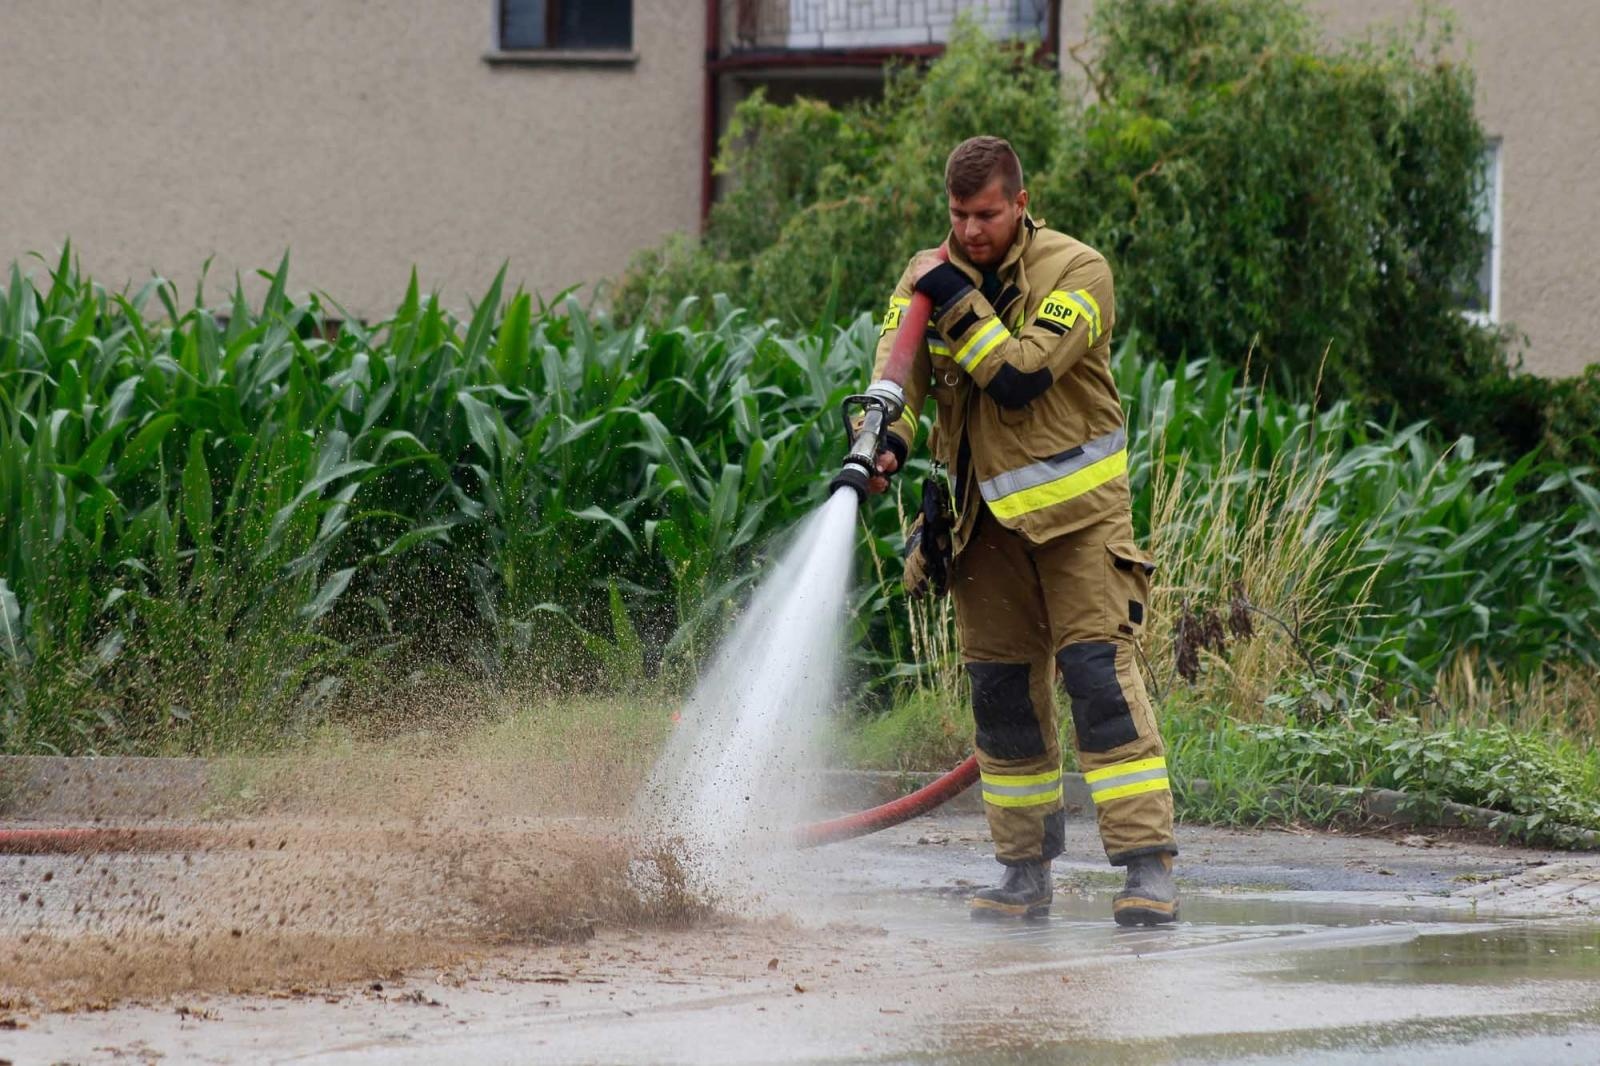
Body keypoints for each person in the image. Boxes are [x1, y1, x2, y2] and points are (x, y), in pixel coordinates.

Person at [865, 135, 1178, 925]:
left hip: (1079, 525)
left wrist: (954, 297)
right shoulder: (925, 278)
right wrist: (880, 441)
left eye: (988, 214)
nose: (972, 231)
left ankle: (1148, 871)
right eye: (959, 214)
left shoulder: (1079, 272)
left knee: (1099, 686)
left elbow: (1018, 376)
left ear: (1021, 204)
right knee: (1002, 697)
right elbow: (902, 380)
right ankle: (1023, 873)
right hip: (982, 525)